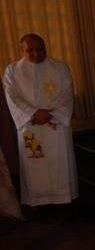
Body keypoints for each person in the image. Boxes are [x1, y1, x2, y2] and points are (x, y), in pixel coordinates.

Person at [2, 33, 78, 207]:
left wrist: (49, 114)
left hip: (56, 125)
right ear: (22, 50)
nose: (36, 54)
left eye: (40, 49)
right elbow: (12, 97)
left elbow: (66, 94)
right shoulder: (12, 71)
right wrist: (33, 113)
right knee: (35, 166)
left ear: (45, 48)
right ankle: (38, 203)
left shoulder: (60, 68)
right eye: (31, 50)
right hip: (30, 126)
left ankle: (64, 201)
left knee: (60, 164)